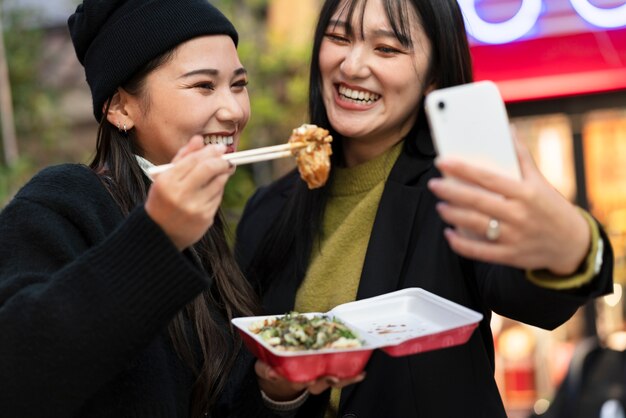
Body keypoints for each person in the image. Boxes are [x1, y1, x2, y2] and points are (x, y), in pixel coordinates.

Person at [235, 0, 615, 417]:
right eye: (339, 38)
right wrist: (280, 391)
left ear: (434, 75)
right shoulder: (267, 211)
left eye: (387, 49)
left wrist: (575, 245)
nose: (353, 65)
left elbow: (535, 301)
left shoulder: (459, 186)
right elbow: (235, 386)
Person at [0, 0, 315, 416]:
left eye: (238, 85)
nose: (235, 110)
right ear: (120, 107)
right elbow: (18, 373)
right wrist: (157, 238)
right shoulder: (64, 201)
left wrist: (277, 391)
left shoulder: (205, 229)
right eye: (204, 85)